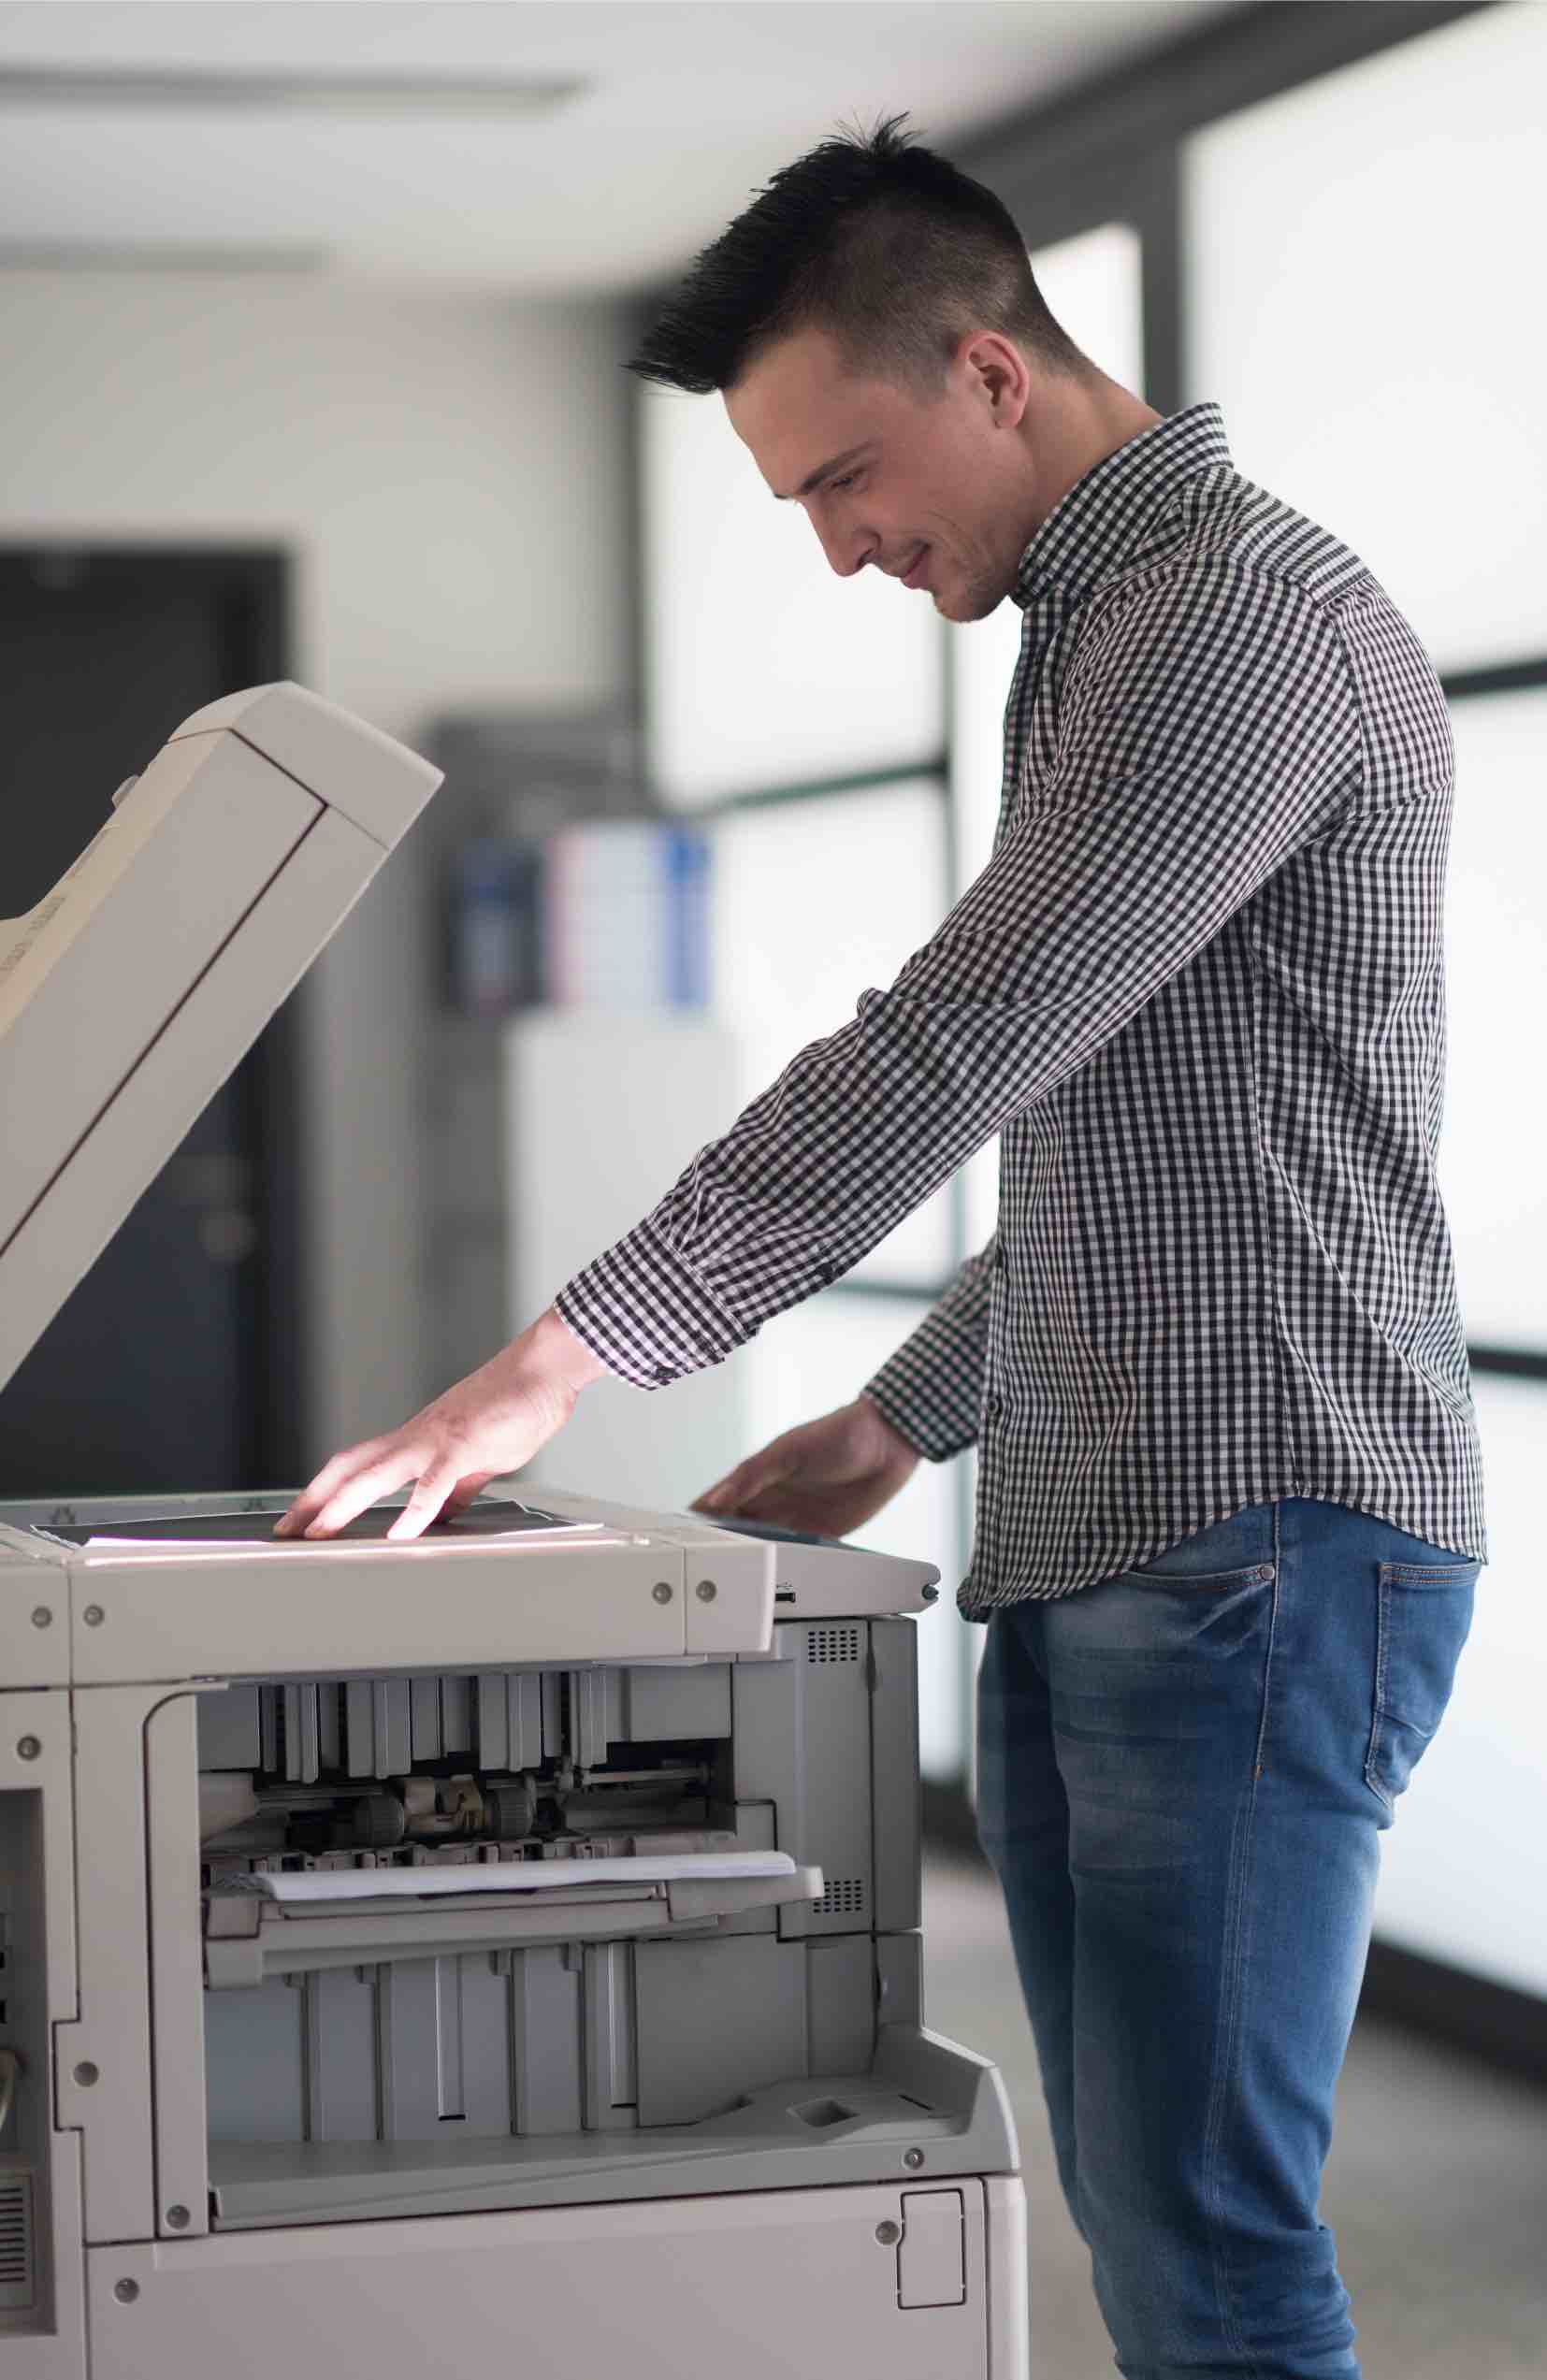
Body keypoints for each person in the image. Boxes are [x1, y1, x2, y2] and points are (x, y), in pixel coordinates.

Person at [279, 117, 1486, 2380]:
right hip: (1138, 1514)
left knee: (1207, 2230)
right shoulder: (1114, 627)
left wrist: (556, 1356)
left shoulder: (1231, 619)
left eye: (843, 477)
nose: (838, 549)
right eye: (799, 507)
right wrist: (893, 1414)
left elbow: (958, 1041)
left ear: (988, 370)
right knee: (1145, 2207)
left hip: (1252, 1537)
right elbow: (1159, 1151)